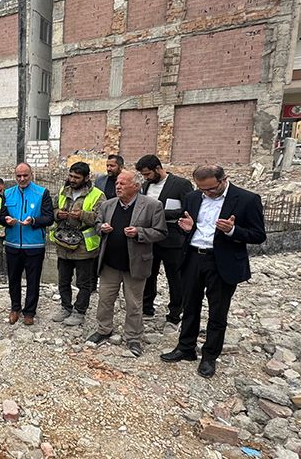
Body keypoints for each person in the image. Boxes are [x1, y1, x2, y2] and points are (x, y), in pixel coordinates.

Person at [161, 165, 266, 378]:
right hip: (193, 257)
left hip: (222, 262)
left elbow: (258, 234)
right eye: (202, 189)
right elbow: (190, 224)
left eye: (210, 189)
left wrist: (233, 230)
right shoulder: (193, 197)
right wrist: (187, 228)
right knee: (189, 305)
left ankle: (209, 356)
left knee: (217, 311)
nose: (206, 193)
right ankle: (185, 348)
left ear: (223, 179)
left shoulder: (247, 199)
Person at [89, 171, 167, 357]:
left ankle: (133, 336)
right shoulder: (108, 205)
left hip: (135, 264)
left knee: (134, 303)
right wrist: (102, 228)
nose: (118, 186)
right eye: (117, 183)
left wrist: (139, 232)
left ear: (136, 186)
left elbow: (161, 232)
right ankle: (103, 329)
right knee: (105, 300)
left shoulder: (152, 205)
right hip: (110, 263)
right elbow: (97, 224)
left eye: (123, 183)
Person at [135, 154, 194, 332]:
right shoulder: (146, 186)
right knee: (148, 275)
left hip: (172, 240)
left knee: (174, 278)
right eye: (143, 175)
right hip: (150, 239)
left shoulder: (181, 184)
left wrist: (161, 214)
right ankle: (147, 307)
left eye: (147, 174)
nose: (145, 178)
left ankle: (175, 314)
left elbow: (189, 208)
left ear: (158, 168)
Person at [50, 162, 105, 326]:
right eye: (71, 176)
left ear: (86, 178)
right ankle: (65, 307)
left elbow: (101, 217)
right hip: (63, 244)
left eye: (76, 177)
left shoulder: (97, 195)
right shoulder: (63, 191)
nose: (72, 180)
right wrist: (57, 214)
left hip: (84, 247)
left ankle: (80, 312)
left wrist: (82, 215)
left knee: (83, 283)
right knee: (63, 280)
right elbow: (53, 210)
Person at [0, 163, 54, 325]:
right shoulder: (7, 193)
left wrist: (34, 220)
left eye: (25, 175)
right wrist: (6, 220)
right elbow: (1, 216)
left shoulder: (42, 193)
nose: (22, 179)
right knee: (14, 279)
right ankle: (15, 308)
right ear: (15, 176)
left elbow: (49, 217)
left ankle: (29, 312)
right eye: (18, 176)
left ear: (31, 174)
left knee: (33, 280)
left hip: (34, 246)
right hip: (13, 244)